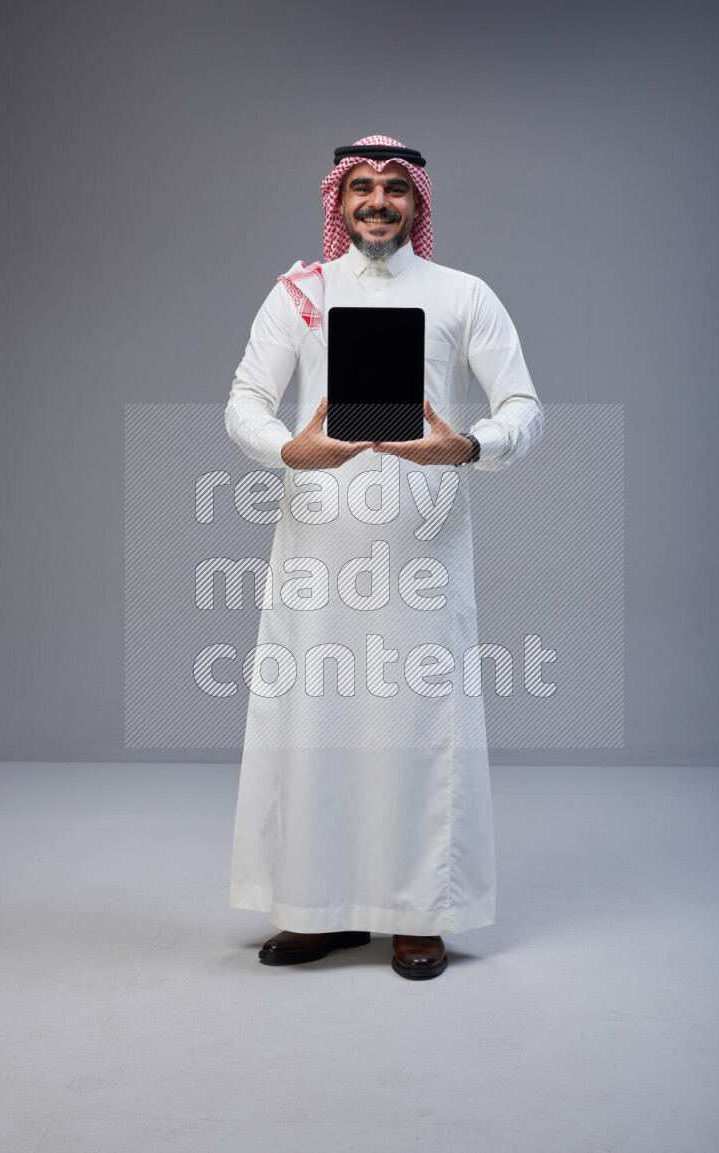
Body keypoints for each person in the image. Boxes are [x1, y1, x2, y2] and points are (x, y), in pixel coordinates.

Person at [224, 135, 544, 980]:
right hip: (319, 546)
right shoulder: (300, 292)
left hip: (422, 550)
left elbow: (524, 407)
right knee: (316, 726)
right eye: (360, 187)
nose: (376, 201)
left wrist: (470, 446)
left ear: (417, 204)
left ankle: (416, 914)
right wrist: (289, 453)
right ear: (338, 201)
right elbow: (245, 402)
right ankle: (315, 909)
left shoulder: (462, 294)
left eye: (393, 189)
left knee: (415, 730)